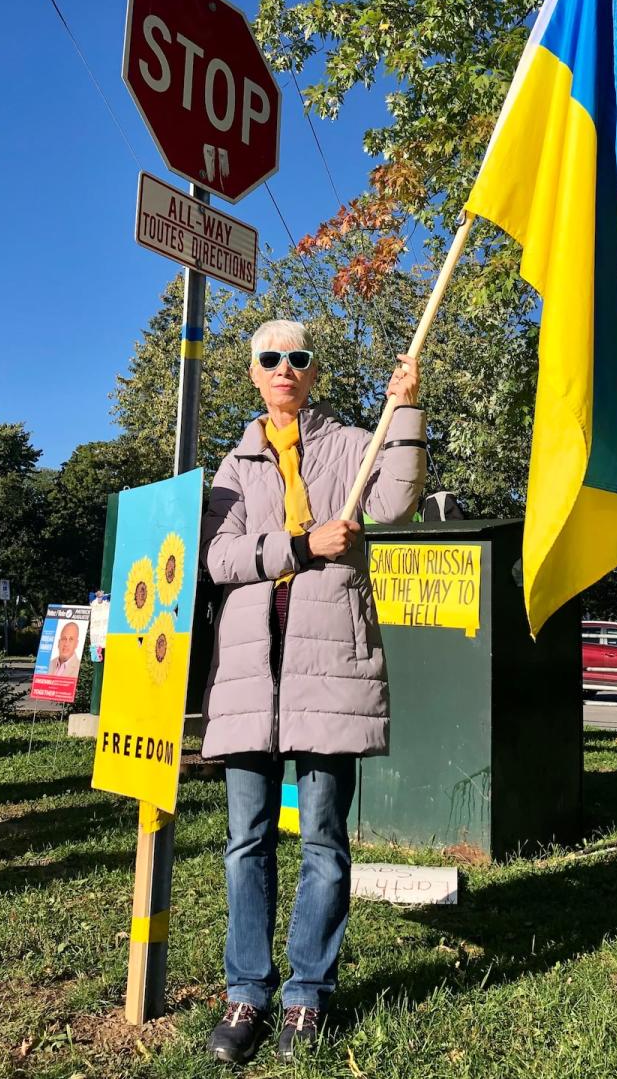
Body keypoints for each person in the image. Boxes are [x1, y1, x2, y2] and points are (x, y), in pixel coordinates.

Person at [201, 319, 425, 1064]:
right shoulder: (232, 467)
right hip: (247, 678)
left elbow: (395, 500)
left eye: (297, 358)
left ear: (313, 371)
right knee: (246, 843)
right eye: (271, 359)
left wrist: (408, 409)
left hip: (331, 673)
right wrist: (301, 547)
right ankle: (247, 993)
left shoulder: (353, 444)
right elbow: (219, 559)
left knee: (324, 841)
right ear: (254, 374)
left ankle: (307, 998)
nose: (284, 369)